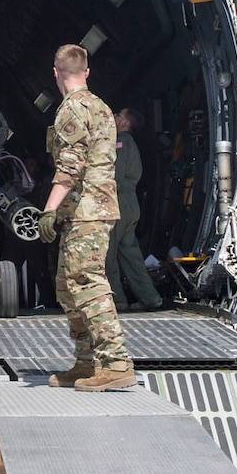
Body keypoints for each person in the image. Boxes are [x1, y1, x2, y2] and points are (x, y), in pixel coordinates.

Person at [37, 44, 134, 391]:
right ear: (87, 72)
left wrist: (48, 210)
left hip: (86, 212)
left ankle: (116, 362)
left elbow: (69, 168)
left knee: (87, 283)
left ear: (56, 73)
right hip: (91, 210)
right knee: (67, 286)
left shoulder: (72, 111)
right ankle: (86, 362)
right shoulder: (102, 108)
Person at [105, 108, 163, 312]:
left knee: (108, 252)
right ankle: (151, 298)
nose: (114, 116)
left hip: (118, 201)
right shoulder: (130, 143)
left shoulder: (121, 141)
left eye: (119, 115)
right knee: (131, 255)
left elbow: (116, 175)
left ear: (126, 123)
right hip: (130, 203)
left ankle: (117, 299)